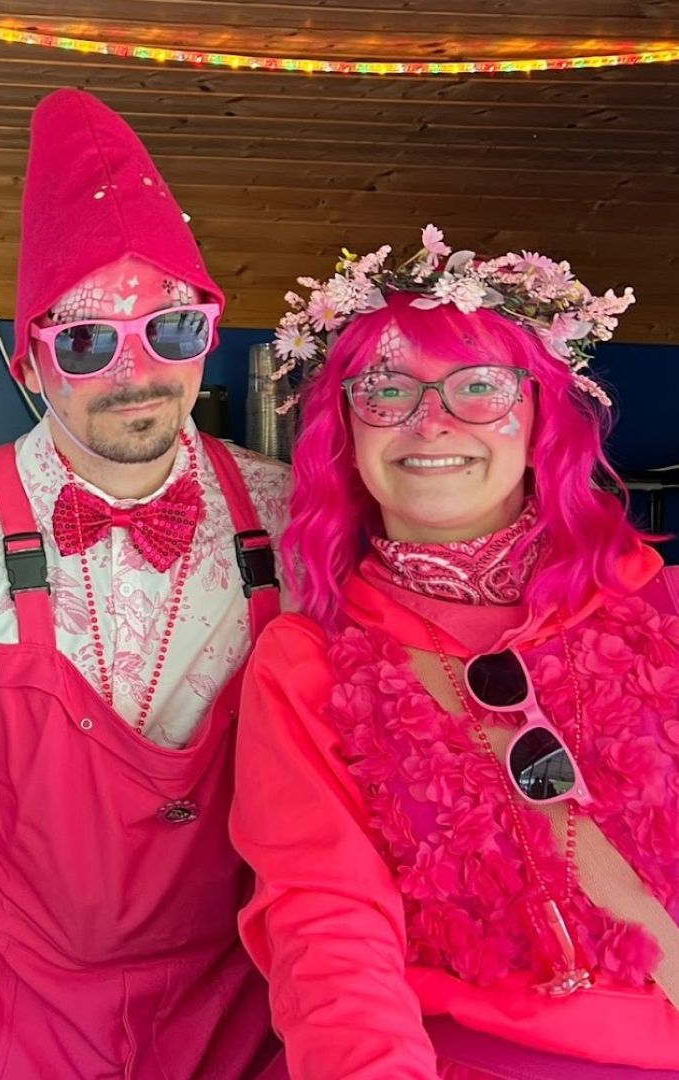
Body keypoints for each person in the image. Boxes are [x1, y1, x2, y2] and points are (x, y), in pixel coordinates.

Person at [0, 87, 290, 1080]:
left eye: (170, 329)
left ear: (210, 333)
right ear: (30, 362)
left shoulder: (293, 519)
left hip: (243, 1020)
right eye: (85, 340)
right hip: (9, 1023)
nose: (136, 373)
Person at [230, 227, 679, 1076]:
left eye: (478, 386)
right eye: (387, 390)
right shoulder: (305, 665)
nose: (429, 422)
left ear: (540, 414)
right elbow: (328, 934)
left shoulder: (665, 610)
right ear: (345, 429)